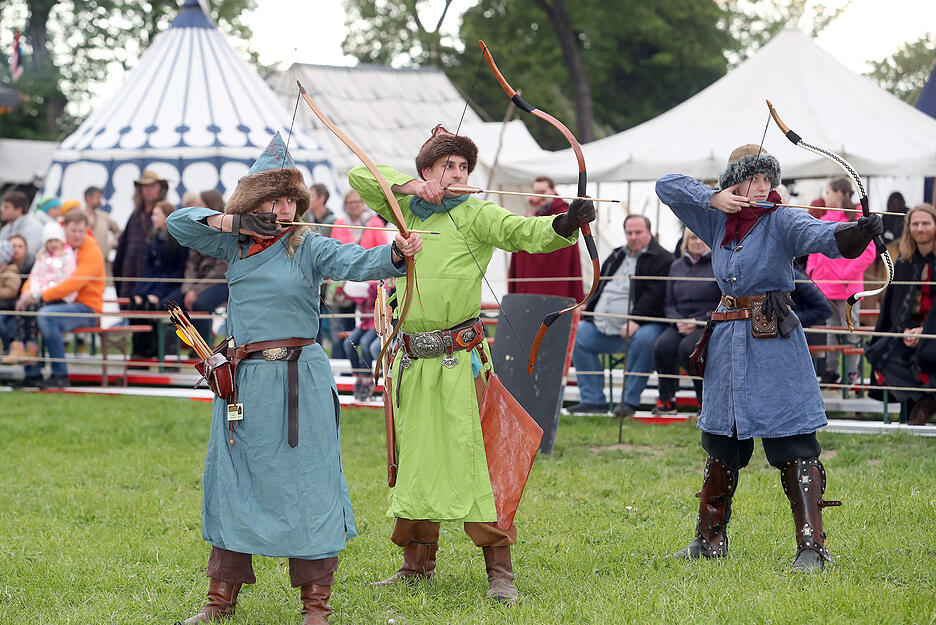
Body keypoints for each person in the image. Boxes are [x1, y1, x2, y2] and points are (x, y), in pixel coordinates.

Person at [166, 132, 422, 625]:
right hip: (243, 383)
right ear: (253, 204)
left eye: (289, 199)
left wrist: (395, 252)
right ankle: (219, 602)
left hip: (297, 383)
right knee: (234, 480)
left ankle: (316, 607)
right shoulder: (234, 242)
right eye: (272, 199)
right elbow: (181, 224)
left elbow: (356, 261)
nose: (282, 208)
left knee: (309, 485)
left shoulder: (307, 245)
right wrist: (234, 221)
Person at [349, 124, 595, 603]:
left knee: (480, 460)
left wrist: (566, 224)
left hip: (461, 361)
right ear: (427, 172)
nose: (459, 173)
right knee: (417, 461)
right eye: (448, 166)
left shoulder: (477, 212)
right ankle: (416, 563)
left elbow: (523, 233)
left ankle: (499, 571)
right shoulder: (401, 207)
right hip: (412, 362)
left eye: (464, 166)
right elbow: (361, 174)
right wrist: (408, 188)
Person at [655, 144, 883, 572]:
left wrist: (857, 232)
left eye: (768, 179)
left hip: (773, 340)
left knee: (793, 440)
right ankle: (709, 541)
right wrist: (712, 197)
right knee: (721, 442)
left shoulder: (781, 218)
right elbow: (665, 185)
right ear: (734, 181)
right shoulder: (715, 219)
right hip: (727, 340)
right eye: (754, 178)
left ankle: (812, 546)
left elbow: (825, 238)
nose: (763, 187)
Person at [568, 214, 674, 416]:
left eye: (638, 232)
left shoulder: (664, 259)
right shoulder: (617, 254)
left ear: (649, 232)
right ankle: (593, 400)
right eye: (629, 232)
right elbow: (601, 284)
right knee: (578, 335)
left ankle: (629, 401)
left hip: (643, 326)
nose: (633, 237)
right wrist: (589, 309)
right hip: (604, 326)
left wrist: (636, 320)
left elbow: (656, 294)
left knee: (645, 339)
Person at [17, 210, 105, 388]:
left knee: (46, 316)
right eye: (73, 231)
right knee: (20, 313)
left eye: (81, 231)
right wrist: (26, 293)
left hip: (85, 308)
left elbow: (73, 284)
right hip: (59, 302)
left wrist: (39, 296)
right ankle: (32, 373)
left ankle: (60, 373)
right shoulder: (56, 248)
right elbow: (37, 274)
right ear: (65, 229)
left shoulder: (92, 250)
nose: (78, 235)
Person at [866, 203, 936, 424]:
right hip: (909, 332)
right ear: (908, 228)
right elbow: (895, 308)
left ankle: (925, 404)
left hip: (933, 333)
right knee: (882, 353)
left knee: (928, 351)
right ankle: (926, 399)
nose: (920, 228)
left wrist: (925, 331)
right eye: (915, 223)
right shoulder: (904, 263)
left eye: (926, 223)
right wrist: (905, 331)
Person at [806, 177, 876, 385]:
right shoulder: (824, 219)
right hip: (826, 285)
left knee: (849, 329)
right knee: (831, 330)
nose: (825, 197)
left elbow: (868, 252)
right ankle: (832, 370)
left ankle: (852, 371)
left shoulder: (856, 220)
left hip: (847, 288)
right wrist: (812, 270)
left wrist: (846, 274)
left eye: (828, 192)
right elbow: (814, 246)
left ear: (838, 193)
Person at [651, 229, 720, 415]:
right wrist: (677, 321)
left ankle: (703, 401)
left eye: (702, 237)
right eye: (693, 238)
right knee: (662, 346)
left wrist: (698, 321)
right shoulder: (676, 266)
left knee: (689, 349)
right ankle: (667, 400)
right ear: (685, 242)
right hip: (680, 322)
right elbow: (669, 302)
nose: (698, 242)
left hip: (707, 323)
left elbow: (721, 301)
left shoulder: (718, 265)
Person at [3, 221, 77, 365]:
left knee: (32, 309)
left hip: (59, 298)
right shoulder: (42, 257)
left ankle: (32, 347)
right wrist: (29, 295)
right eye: (49, 241)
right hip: (40, 296)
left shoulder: (68, 257)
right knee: (22, 308)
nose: (53, 244)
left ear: (61, 240)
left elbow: (62, 281)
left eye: (56, 240)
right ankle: (20, 346)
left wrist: (36, 295)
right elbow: (35, 278)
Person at [507, 175, 584, 301]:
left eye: (542, 192)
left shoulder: (564, 215)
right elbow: (523, 240)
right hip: (531, 285)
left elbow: (550, 242)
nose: (539, 197)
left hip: (556, 285)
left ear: (553, 191)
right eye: (536, 193)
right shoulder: (536, 213)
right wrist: (531, 211)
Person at [128, 200, 188, 359]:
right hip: (153, 282)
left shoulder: (179, 241)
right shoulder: (153, 239)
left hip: (170, 284)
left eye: (156, 214)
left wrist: (156, 292)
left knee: (152, 303)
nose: (152, 217)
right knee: (136, 302)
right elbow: (148, 269)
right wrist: (142, 291)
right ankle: (140, 349)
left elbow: (180, 271)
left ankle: (153, 349)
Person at [181, 190, 229, 346]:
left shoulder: (225, 228)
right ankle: (185, 345)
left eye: (200, 204)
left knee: (200, 304)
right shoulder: (198, 229)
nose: (197, 207)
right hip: (202, 281)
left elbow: (221, 268)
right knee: (176, 301)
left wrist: (196, 290)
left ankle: (204, 347)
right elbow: (191, 263)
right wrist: (189, 288)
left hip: (222, 281)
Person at [114, 170, 167, 300]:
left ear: (159, 188)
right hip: (130, 270)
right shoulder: (135, 215)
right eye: (145, 186)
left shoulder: (164, 214)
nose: (149, 190)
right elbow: (122, 248)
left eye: (152, 186)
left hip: (152, 274)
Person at [83, 185, 121, 268]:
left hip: (102, 261)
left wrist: (111, 244)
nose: (100, 200)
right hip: (84, 261)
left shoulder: (104, 217)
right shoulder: (79, 217)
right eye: (97, 197)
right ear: (87, 198)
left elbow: (118, 231)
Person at [0, 190, 43, 256]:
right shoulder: (6, 229)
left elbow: (28, 254)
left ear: (19, 210)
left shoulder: (34, 227)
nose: (1, 210)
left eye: (6, 207)